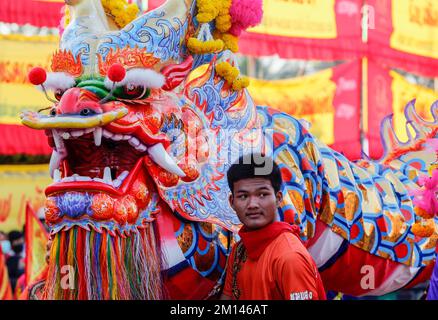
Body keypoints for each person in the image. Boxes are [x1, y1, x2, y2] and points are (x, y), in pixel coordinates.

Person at [220, 154, 326, 300]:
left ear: (278, 199)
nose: (252, 204)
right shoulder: (239, 251)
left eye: (262, 194)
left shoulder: (289, 257)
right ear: (232, 202)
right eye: (243, 196)